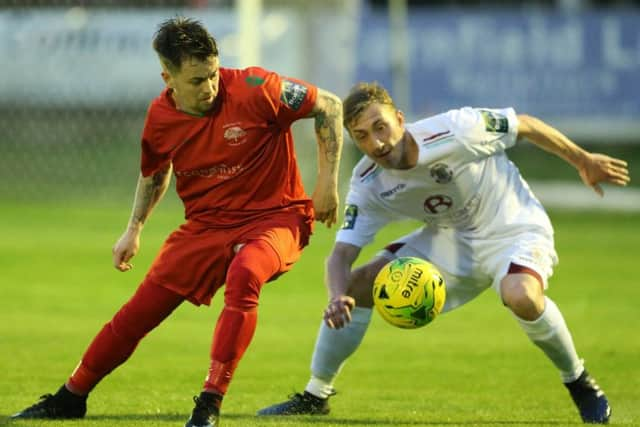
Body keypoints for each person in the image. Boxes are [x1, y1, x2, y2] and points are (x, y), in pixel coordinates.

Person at [11, 17, 343, 427]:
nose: (210, 87)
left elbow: (329, 105)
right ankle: (70, 397)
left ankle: (209, 402)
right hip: (206, 227)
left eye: (214, 74)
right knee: (138, 313)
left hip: (276, 218)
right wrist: (134, 229)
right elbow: (155, 173)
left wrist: (327, 181)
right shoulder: (160, 117)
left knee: (245, 274)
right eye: (197, 80)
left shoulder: (259, 88)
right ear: (168, 77)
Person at [257, 82, 630, 424]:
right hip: (451, 238)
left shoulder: (457, 130)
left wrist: (582, 160)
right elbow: (340, 255)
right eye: (362, 136)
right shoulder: (369, 182)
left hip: (511, 224)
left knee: (521, 295)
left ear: (400, 120)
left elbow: (525, 124)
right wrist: (337, 296)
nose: (376, 142)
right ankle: (315, 394)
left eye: (381, 127)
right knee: (357, 285)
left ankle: (579, 382)